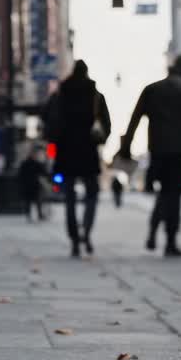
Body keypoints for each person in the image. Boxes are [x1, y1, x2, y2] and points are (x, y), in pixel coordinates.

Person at [117, 55, 181, 257]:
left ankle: (154, 230)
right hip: (179, 151)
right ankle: (170, 240)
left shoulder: (152, 89)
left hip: (158, 149)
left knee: (164, 193)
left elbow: (134, 119)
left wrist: (126, 148)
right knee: (174, 195)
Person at [45, 61, 112, 257]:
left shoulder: (60, 94)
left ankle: (74, 239)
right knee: (92, 194)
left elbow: (46, 115)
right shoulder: (95, 96)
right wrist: (100, 138)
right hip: (88, 150)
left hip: (65, 151)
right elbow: (106, 124)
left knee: (70, 197)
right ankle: (86, 231)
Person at [17, 148, 49, 222]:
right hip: (31, 185)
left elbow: (43, 172)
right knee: (33, 201)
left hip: (31, 185)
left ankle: (35, 215)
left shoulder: (29, 163)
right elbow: (44, 172)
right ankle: (33, 215)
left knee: (35, 201)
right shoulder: (29, 163)